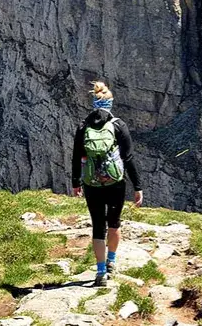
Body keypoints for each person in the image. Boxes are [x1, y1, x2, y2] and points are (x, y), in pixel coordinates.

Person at [72, 81, 143, 287]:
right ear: (110, 104)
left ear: (94, 104)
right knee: (114, 222)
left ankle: (100, 272)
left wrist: (76, 182)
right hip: (115, 183)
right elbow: (128, 158)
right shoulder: (119, 125)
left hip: (91, 183)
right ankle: (111, 262)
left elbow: (76, 157)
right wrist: (137, 186)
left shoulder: (83, 126)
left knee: (97, 226)